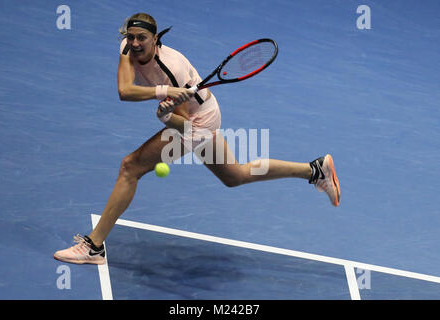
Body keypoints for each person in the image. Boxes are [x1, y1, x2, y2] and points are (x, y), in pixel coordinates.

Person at [54, 13, 340, 265]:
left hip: (198, 121)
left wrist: (166, 115)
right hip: (196, 114)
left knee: (131, 167)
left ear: (156, 39)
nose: (136, 43)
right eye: (131, 37)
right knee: (235, 175)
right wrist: (162, 94)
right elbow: (125, 90)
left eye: (142, 37)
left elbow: (183, 124)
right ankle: (314, 170)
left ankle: (93, 247)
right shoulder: (128, 49)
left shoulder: (173, 69)